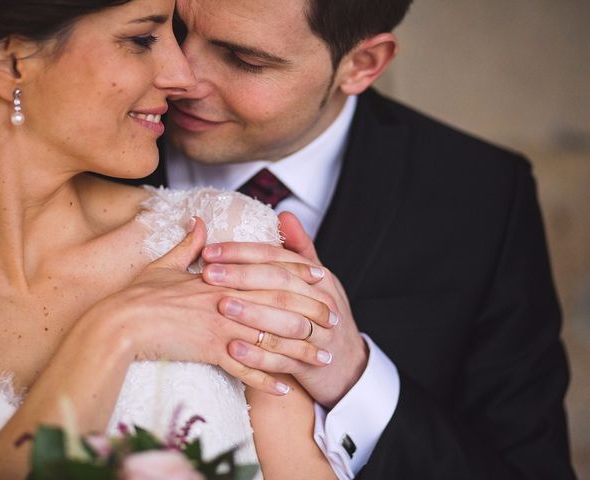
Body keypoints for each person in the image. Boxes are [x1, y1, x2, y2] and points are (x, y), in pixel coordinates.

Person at [131, 0, 578, 478]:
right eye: (174, 29)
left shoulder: (481, 195)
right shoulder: (78, 148)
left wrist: (353, 376)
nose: (177, 77)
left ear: (362, 65)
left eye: (245, 60)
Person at [0, 1, 339, 478]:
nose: (183, 76)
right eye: (141, 39)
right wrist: (116, 331)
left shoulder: (221, 237)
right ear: (9, 61)